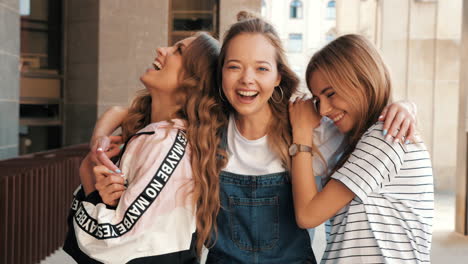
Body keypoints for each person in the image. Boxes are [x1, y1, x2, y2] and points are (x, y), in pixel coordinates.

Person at [90, 13, 418, 264]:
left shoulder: (310, 126)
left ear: (279, 76)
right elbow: (153, 127)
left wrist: (404, 106)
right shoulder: (205, 131)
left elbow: (361, 119)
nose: (247, 80)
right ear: (220, 76)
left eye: (261, 68)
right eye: (234, 66)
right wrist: (109, 123)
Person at [63, 32, 226, 264]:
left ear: (195, 81)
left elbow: (116, 245)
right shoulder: (157, 133)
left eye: (178, 51)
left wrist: (90, 182)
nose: (161, 49)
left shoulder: (166, 143)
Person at [289, 34, 433, 263]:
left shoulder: (385, 135)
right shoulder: (360, 137)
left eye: (330, 94)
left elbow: (308, 215)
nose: (323, 109)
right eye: (318, 99)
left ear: (364, 80)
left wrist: (301, 134)